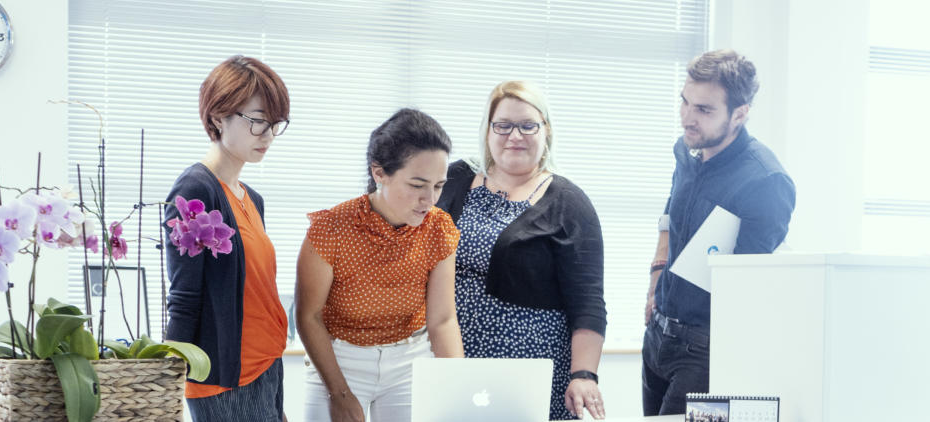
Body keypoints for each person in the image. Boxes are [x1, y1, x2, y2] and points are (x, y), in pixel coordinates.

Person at [436, 80, 607, 420]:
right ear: (488, 130)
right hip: (452, 357)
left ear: (546, 130)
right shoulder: (455, 178)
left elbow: (588, 301)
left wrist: (583, 374)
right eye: (503, 125)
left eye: (528, 125)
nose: (515, 136)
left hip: (532, 366)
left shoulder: (568, 203)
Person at [642, 49, 796, 416]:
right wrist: (655, 281)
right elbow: (669, 218)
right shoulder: (689, 149)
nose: (687, 118)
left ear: (740, 114)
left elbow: (748, 288)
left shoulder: (766, 181)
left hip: (705, 349)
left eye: (704, 110)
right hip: (658, 335)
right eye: (685, 103)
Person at [295, 108, 465, 422]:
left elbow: (442, 319)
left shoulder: (440, 228)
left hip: (409, 361)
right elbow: (309, 315)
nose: (430, 200)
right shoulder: (332, 227)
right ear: (379, 173)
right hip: (337, 359)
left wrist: (456, 388)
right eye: (417, 185)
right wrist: (339, 393)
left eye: (438, 186)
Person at [164, 55, 291, 421]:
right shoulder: (195, 189)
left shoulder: (252, 197)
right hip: (224, 381)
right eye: (257, 121)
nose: (267, 135)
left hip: (266, 367)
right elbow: (184, 296)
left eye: (275, 123)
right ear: (219, 116)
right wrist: (168, 375)